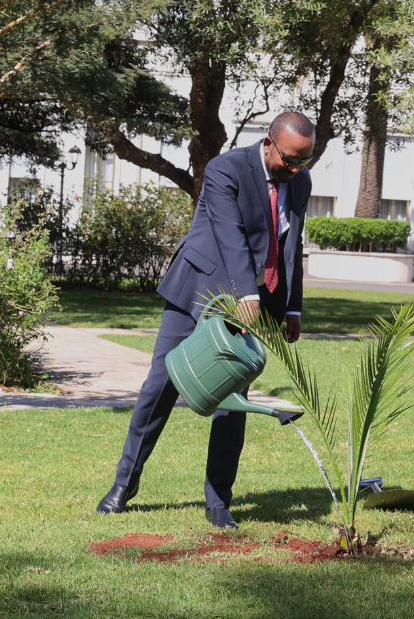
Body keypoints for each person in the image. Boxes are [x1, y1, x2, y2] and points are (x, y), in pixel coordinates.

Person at [96, 111, 314, 528]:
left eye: (303, 161)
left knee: (233, 400)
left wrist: (291, 306)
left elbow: (291, 246)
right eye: (289, 159)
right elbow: (229, 234)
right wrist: (245, 293)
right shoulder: (225, 168)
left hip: (253, 302)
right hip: (197, 287)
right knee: (160, 385)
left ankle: (218, 500)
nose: (295, 168)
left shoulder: (299, 182)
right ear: (269, 143)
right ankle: (125, 483)